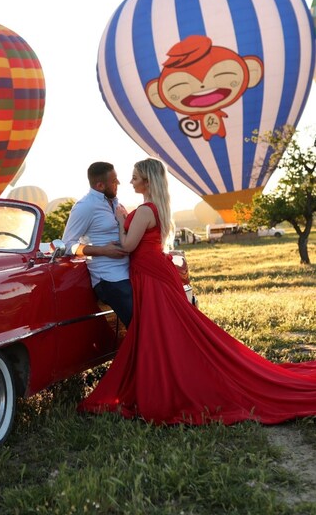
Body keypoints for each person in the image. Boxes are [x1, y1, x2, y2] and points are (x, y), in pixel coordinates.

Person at [78, 157, 316, 425]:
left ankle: (168, 385)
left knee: (159, 331)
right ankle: (167, 377)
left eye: (134, 177)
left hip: (150, 275)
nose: (130, 182)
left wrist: (122, 221)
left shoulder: (144, 210)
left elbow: (128, 246)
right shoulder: (158, 207)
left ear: (147, 181)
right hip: (155, 272)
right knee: (169, 330)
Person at [62, 161, 133, 327]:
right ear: (100, 185)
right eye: (114, 181)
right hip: (110, 279)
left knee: (150, 323)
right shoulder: (85, 207)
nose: (119, 183)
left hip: (129, 273)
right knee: (140, 326)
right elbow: (67, 245)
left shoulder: (116, 203)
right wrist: (103, 250)